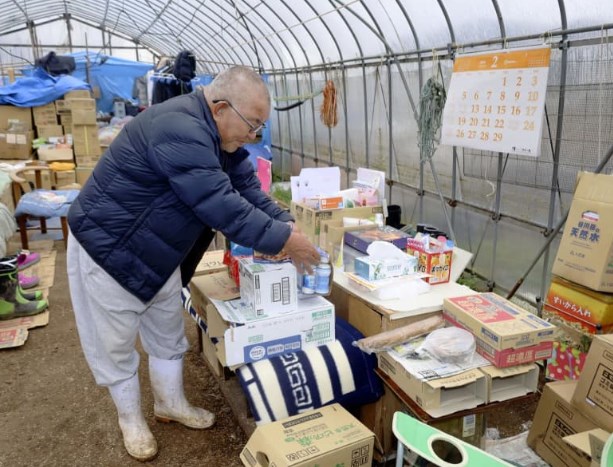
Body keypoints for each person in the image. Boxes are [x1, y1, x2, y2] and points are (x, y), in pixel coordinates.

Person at [66, 66, 320, 461]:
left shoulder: (222, 138)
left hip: (160, 249)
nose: (255, 135)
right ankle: (131, 420)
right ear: (220, 108)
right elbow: (221, 204)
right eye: (253, 124)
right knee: (114, 343)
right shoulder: (179, 129)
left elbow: (246, 188)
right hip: (110, 248)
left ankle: (171, 404)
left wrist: (282, 220)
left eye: (261, 126)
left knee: (166, 331)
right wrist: (287, 240)